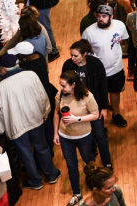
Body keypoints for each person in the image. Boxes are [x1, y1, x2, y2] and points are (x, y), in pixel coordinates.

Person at [0, 44, 60, 190]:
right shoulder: (31, 75)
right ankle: (51, 174)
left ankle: (35, 181)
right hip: (36, 119)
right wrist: (45, 112)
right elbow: (43, 96)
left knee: (25, 153)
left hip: (17, 126)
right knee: (42, 147)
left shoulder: (1, 87)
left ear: (3, 69)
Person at [54, 70, 101, 205]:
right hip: (65, 137)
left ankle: (94, 187)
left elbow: (95, 114)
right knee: (71, 165)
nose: (61, 88)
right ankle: (77, 193)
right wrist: (55, 133)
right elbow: (56, 114)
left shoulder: (87, 96)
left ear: (73, 84)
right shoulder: (60, 95)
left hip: (84, 136)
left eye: (63, 86)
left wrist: (77, 119)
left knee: (90, 163)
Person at [63, 40, 111, 167]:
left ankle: (107, 162)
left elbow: (103, 86)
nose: (72, 58)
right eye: (71, 55)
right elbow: (64, 86)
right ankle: (91, 159)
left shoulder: (96, 64)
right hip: (77, 107)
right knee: (86, 136)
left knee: (100, 134)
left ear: (84, 54)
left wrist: (104, 107)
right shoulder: (68, 65)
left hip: (94, 106)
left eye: (75, 55)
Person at [81, 4, 129, 128]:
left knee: (115, 92)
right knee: (98, 96)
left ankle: (116, 114)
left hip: (116, 68)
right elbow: (84, 52)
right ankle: (99, 123)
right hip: (98, 72)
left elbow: (123, 40)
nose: (100, 19)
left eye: (104, 16)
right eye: (98, 16)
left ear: (111, 16)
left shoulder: (120, 26)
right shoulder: (89, 32)